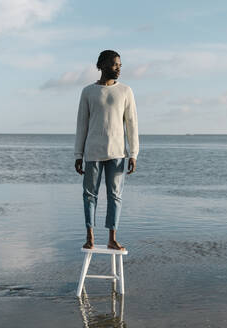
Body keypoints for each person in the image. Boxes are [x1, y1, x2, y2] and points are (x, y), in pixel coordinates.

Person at [74, 50, 139, 251]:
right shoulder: (88, 92)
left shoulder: (126, 91)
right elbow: (81, 125)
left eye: (120, 65)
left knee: (115, 196)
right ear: (101, 65)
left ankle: (112, 237)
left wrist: (134, 153)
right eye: (114, 64)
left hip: (118, 153)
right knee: (89, 195)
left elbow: (132, 124)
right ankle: (90, 237)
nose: (118, 68)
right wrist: (78, 154)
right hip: (92, 152)